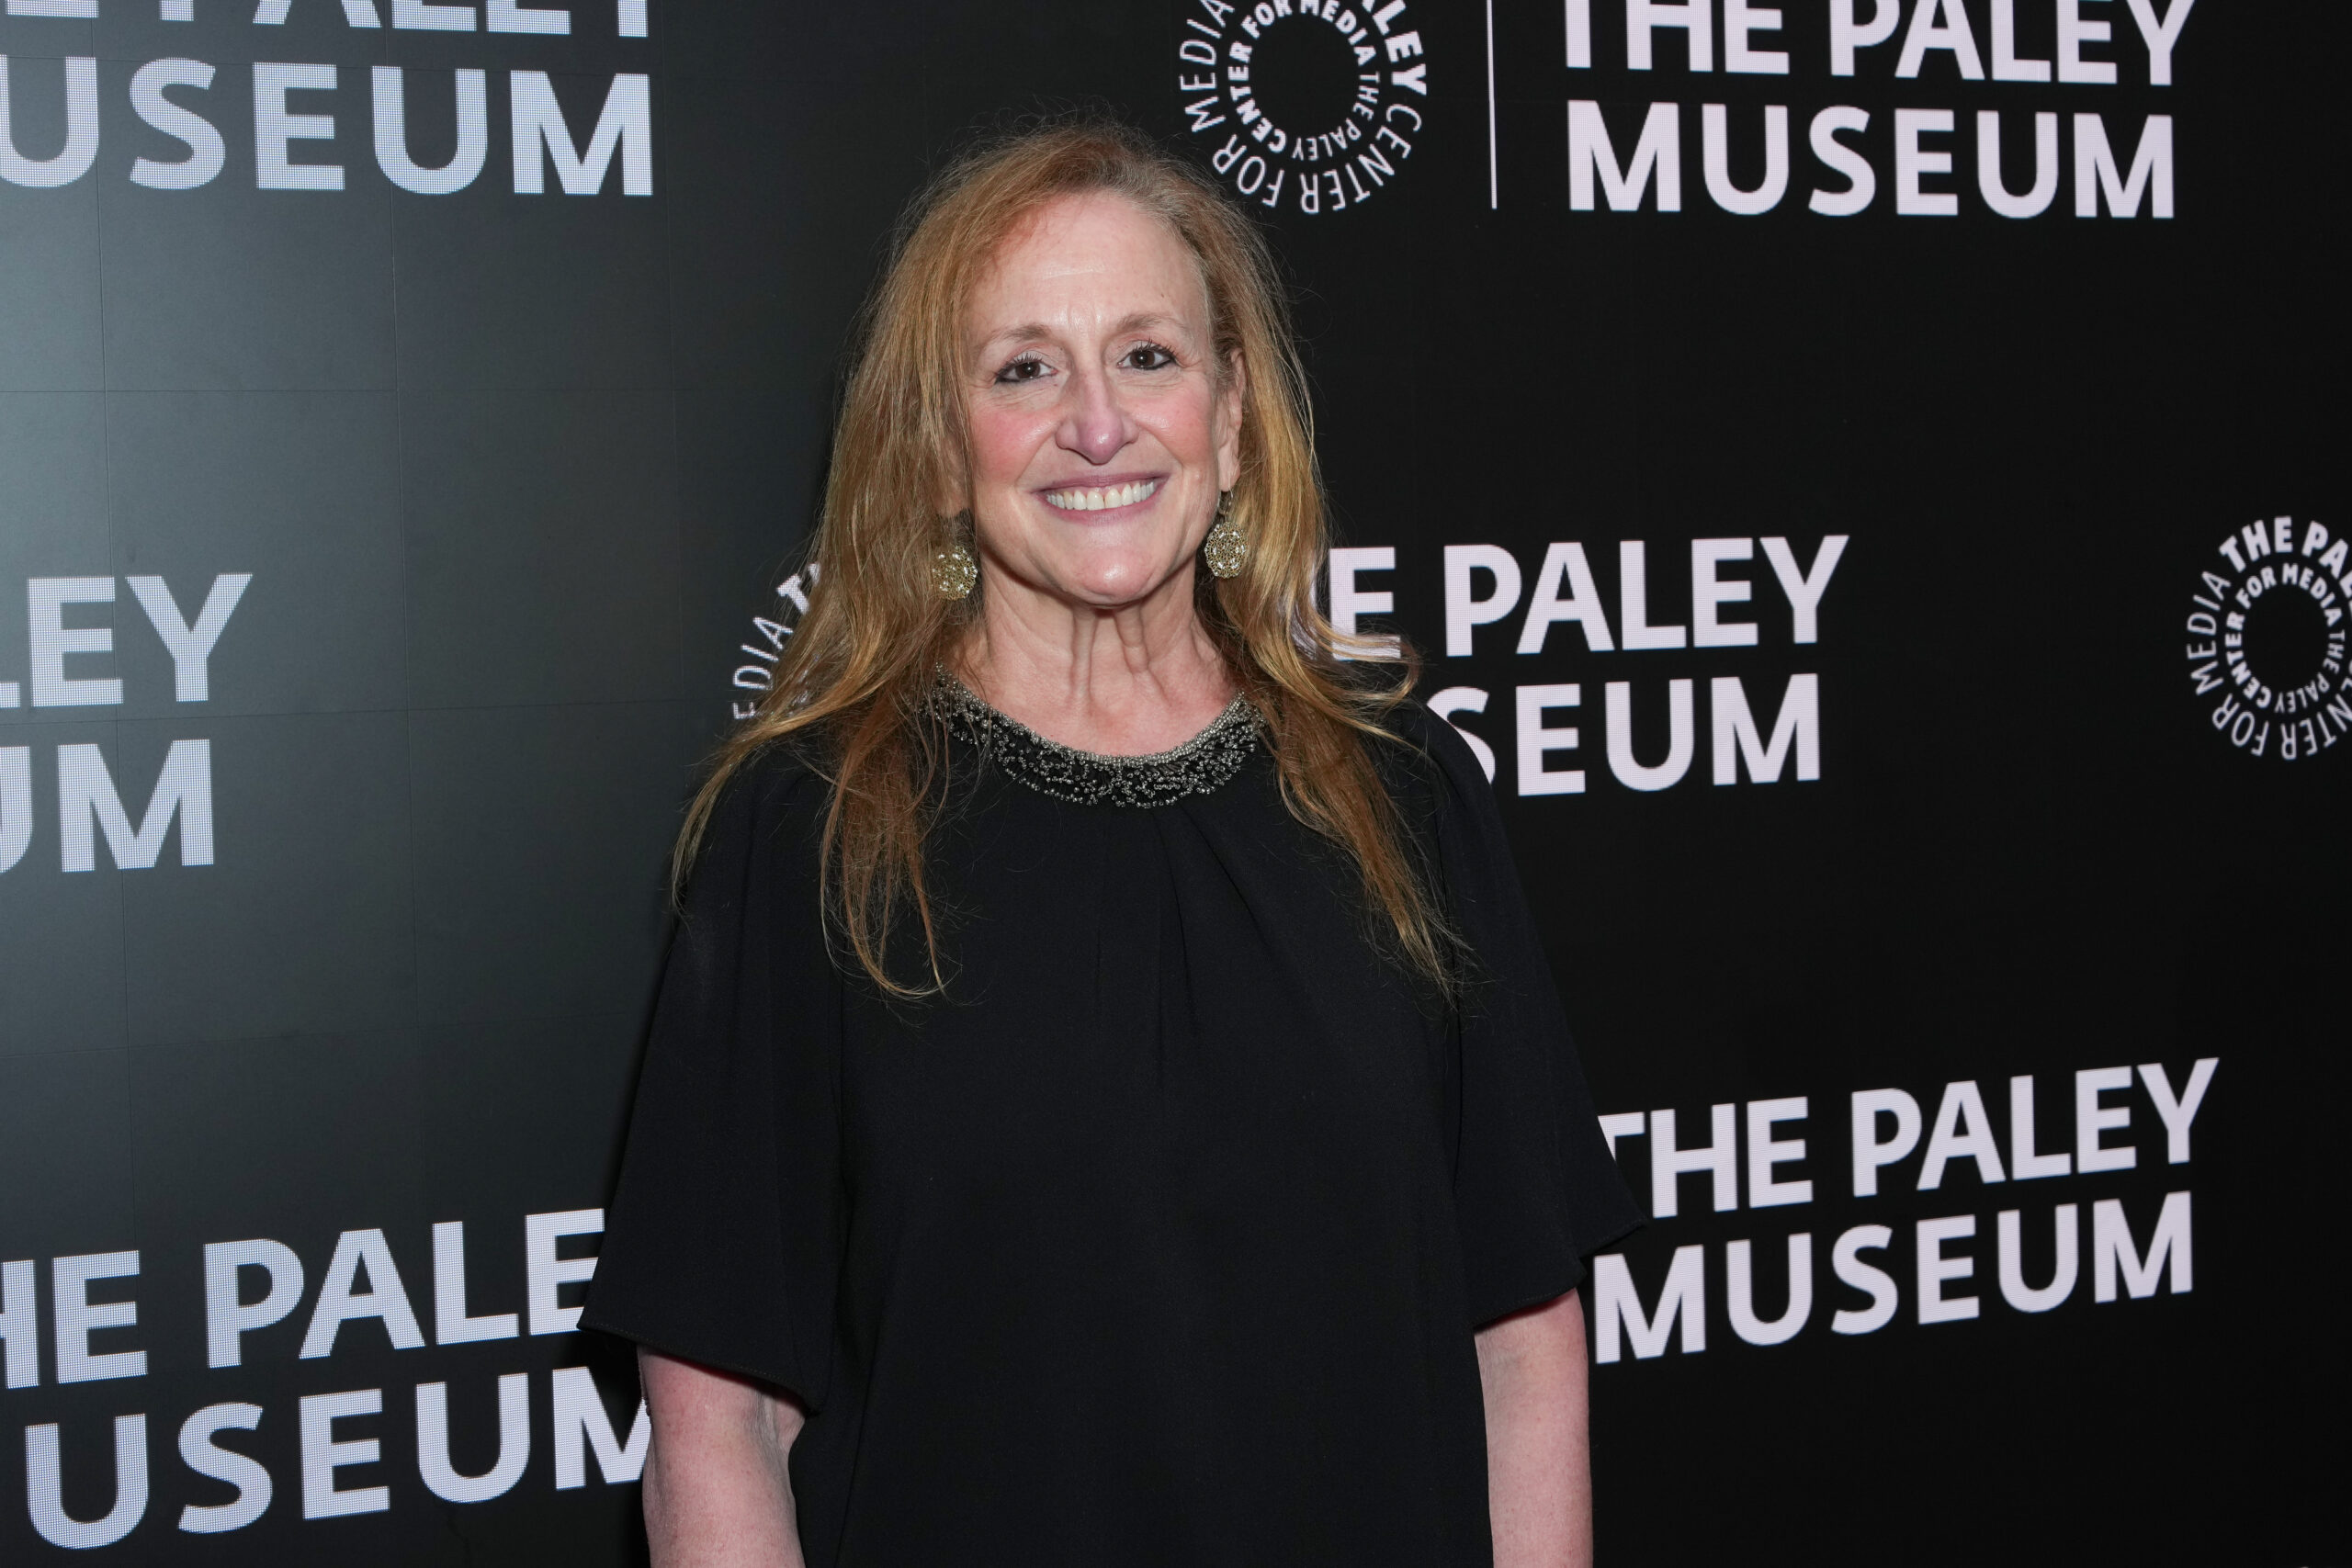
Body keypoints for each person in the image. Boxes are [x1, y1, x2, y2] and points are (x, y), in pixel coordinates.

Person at [582, 118, 1639, 1567]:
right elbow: (717, 1423)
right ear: (938, 448)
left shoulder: (1403, 793)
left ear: (1233, 413)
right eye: (1024, 370)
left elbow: (1521, 1337)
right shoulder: (815, 827)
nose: (1098, 424)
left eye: (1148, 355)